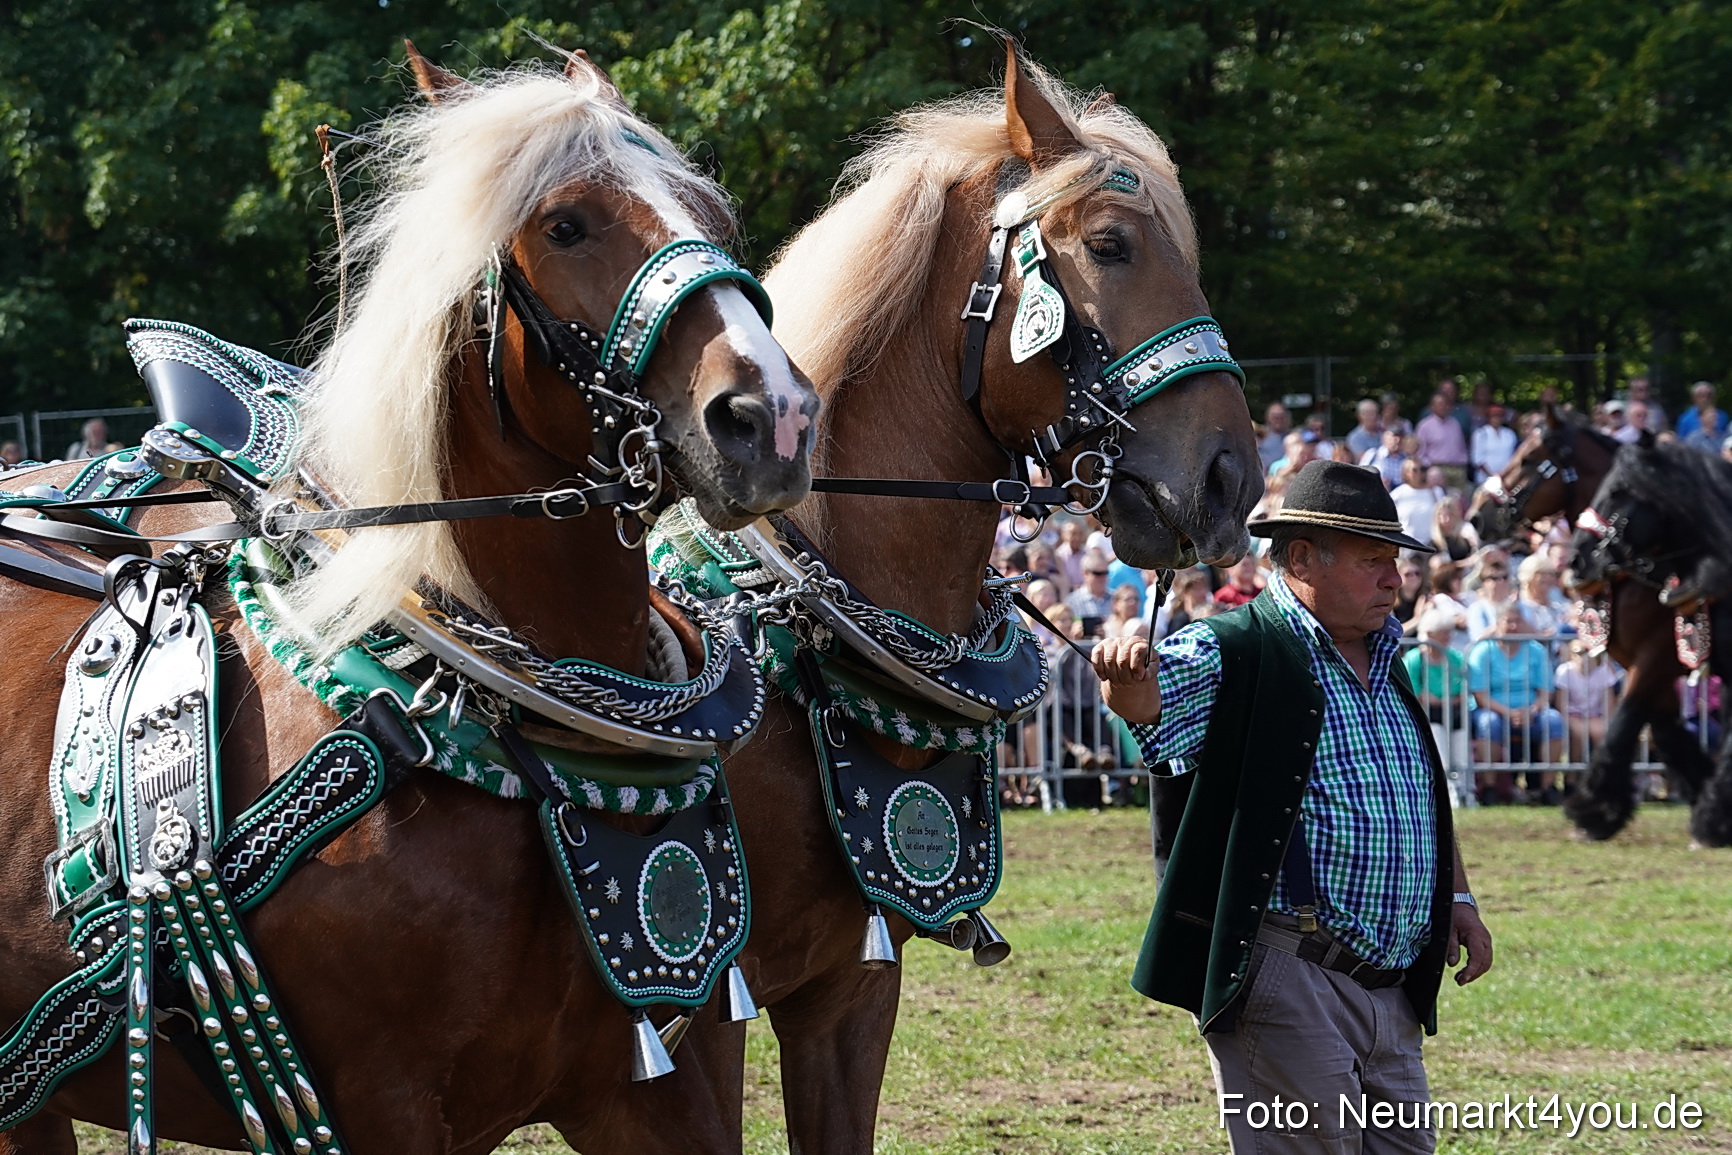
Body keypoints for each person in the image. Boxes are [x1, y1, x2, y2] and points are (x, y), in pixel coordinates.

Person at [1092, 460, 1491, 1155]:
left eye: (1394, 561)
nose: (1395, 579)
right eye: (1374, 561)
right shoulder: (1233, 648)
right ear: (1301, 557)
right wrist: (1126, 683)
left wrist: (1457, 895)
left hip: (1393, 987)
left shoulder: (1385, 656)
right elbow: (1150, 701)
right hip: (1288, 975)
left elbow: (1420, 792)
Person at [1469, 601, 1565, 802]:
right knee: (1489, 724)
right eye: (1508, 621)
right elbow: (1480, 695)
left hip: (1532, 711)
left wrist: (1533, 710)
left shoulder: (1536, 650)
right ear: (1497, 623)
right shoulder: (1483, 650)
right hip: (1493, 709)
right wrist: (1509, 713)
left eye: (1517, 621)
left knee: (1554, 721)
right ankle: (1490, 788)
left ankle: (1547, 787)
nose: (1513, 626)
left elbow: (1546, 691)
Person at [1555, 639, 1620, 766]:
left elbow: (1609, 704)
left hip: (1595, 715)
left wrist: (1604, 720)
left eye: (1590, 653)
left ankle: (1598, 773)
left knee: (1601, 732)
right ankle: (1572, 777)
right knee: (1579, 734)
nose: (1585, 657)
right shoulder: (1564, 671)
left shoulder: (1604, 671)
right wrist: (1571, 720)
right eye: (1579, 653)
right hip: (1572, 715)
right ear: (1571, 655)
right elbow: (1561, 704)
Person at [1414, 393, 1469, 490]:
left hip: (1457, 469)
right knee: (1441, 501)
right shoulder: (1425, 426)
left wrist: (1463, 462)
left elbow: (1461, 446)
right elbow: (1420, 452)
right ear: (1432, 406)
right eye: (1439, 404)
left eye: (1446, 404)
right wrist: (1429, 467)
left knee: (1461, 501)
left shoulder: (1455, 423)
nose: (1443, 407)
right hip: (1437, 468)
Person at [1390, 458, 1442, 548]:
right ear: (1406, 473)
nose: (1419, 473)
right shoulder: (1397, 494)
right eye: (1414, 470)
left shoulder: (1436, 492)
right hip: (1408, 545)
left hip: (1432, 544)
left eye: (1422, 469)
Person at [1065, 549, 1116, 636]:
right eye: (1098, 573)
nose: (1102, 578)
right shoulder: (1072, 602)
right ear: (1085, 573)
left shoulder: (1116, 599)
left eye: (1105, 573)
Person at [1470, 403, 1517, 482]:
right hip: (1485, 478)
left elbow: (1514, 455)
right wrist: (1492, 475)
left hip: (1506, 478)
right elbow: (1477, 459)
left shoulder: (1510, 434)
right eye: (1493, 416)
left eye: (1499, 416)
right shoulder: (1481, 433)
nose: (1496, 419)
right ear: (1488, 418)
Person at [1429, 495, 1479, 562]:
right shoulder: (1435, 541)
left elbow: (1475, 552)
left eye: (1450, 515)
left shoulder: (1464, 534)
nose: (1447, 519)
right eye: (1443, 515)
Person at [1258, 401, 1292, 473]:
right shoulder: (1261, 436)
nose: (1278, 420)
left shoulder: (1293, 437)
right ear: (1268, 418)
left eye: (1281, 417)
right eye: (1275, 417)